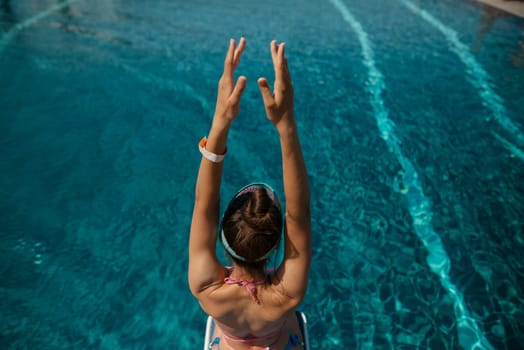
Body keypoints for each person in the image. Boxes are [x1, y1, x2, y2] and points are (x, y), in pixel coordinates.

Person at [188, 37, 311, 350]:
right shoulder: (287, 293)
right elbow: (299, 213)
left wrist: (220, 122)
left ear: (223, 239)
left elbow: (205, 203)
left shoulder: (206, 287)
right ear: (274, 245)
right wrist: (286, 125)